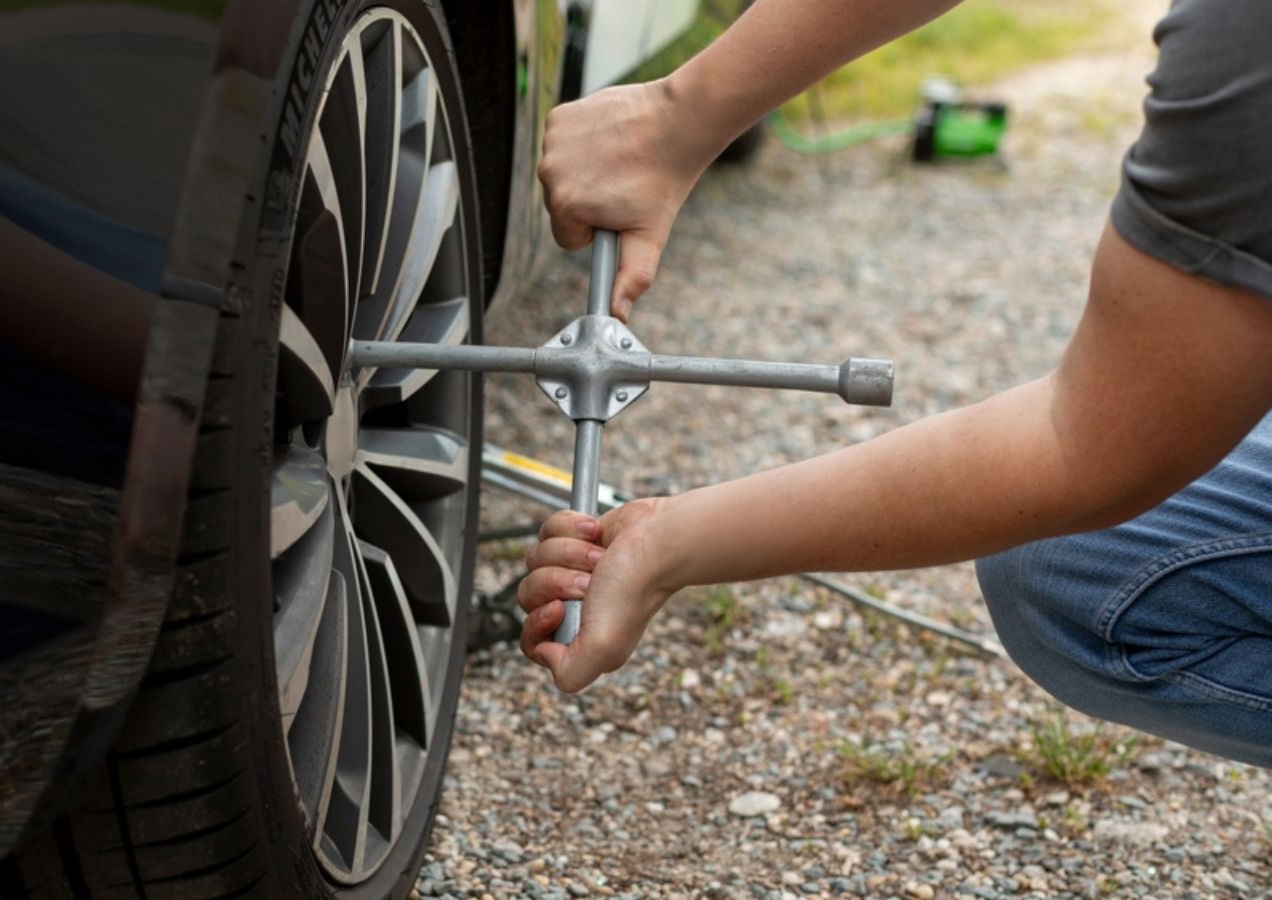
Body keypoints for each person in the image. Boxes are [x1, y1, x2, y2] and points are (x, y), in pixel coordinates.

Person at [518, 0, 1272, 767]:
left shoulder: (1248, 61)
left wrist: (665, 544)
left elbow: (1092, 443)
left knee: (1093, 581)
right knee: (1072, 562)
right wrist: (682, 111)